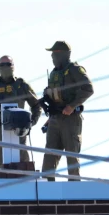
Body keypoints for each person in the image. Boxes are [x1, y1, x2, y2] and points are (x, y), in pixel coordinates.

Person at [0, 55, 42, 179]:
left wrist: (31, 122)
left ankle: (24, 188)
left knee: (22, 160)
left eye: (8, 64)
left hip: (19, 129)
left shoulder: (21, 85)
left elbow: (36, 105)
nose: (5, 67)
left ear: (13, 66)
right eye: (2, 65)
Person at [41, 41, 94, 181]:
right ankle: (47, 189)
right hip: (55, 118)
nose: (52, 56)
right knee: (49, 155)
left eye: (55, 53)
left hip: (70, 119)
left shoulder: (74, 69)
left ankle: (74, 190)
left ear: (63, 54)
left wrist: (71, 106)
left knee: (72, 155)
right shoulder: (54, 73)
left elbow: (88, 88)